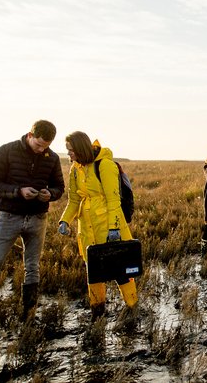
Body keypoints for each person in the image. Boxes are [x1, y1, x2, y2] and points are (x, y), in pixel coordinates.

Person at [0, 120, 65, 336]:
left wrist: (50, 194)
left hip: (38, 218)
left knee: (33, 267)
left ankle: (28, 320)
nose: (41, 150)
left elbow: (59, 187)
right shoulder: (6, 151)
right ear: (30, 135)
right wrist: (19, 191)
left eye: (46, 146)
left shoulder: (53, 158)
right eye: (38, 145)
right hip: (8, 217)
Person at [58, 132, 138, 321]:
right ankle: (97, 313)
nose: (68, 154)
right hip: (87, 229)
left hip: (109, 228)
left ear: (80, 149)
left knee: (122, 272)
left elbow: (113, 200)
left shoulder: (105, 165)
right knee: (93, 273)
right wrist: (64, 220)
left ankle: (133, 309)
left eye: (71, 150)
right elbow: (73, 200)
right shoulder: (75, 169)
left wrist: (114, 228)